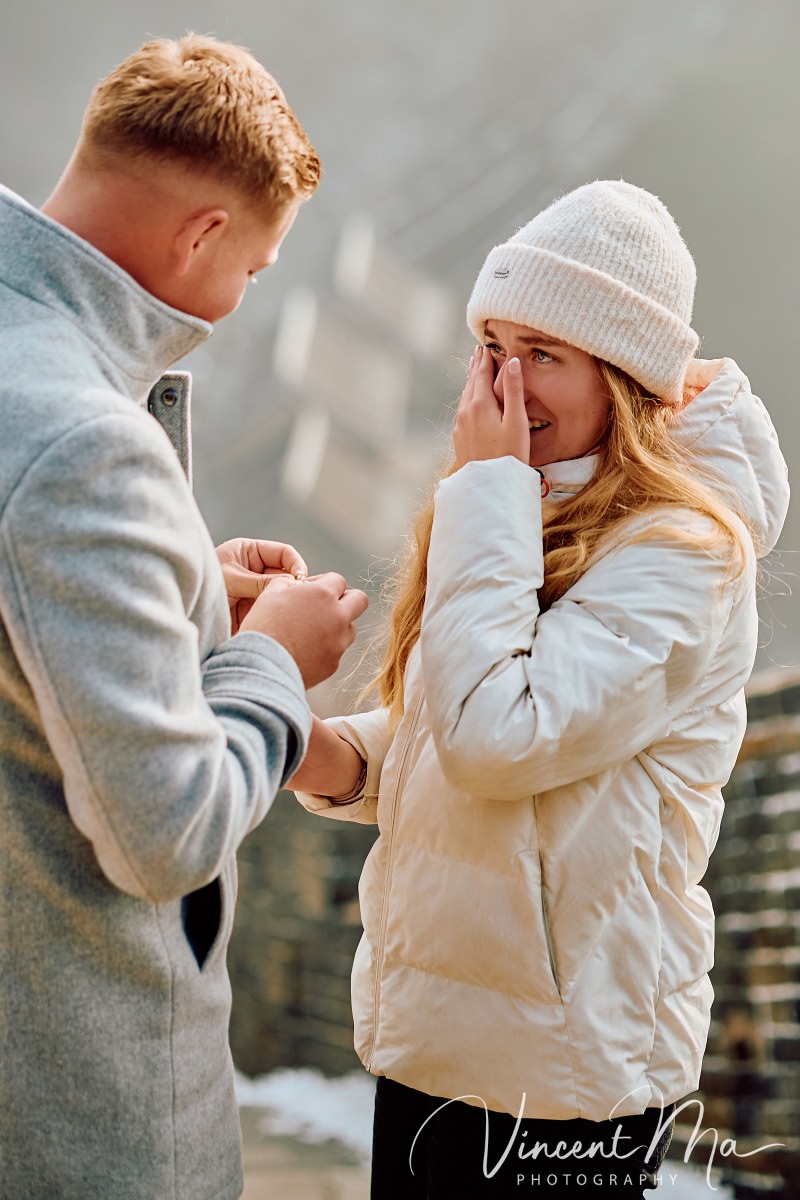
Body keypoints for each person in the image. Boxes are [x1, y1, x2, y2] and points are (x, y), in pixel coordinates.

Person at [289, 180, 789, 1197]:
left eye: (545, 355)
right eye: (492, 348)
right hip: (433, 1050)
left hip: (560, 1079)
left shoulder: (683, 553)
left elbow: (501, 736)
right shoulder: (528, 509)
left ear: (622, 376)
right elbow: (456, 737)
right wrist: (308, 742)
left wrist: (484, 490)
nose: (507, 383)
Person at [0, 35, 367, 1200]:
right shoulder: (84, 444)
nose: (243, 296)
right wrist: (267, 655)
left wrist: (185, 589)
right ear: (204, 232)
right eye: (254, 267)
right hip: (76, 1099)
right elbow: (162, 834)